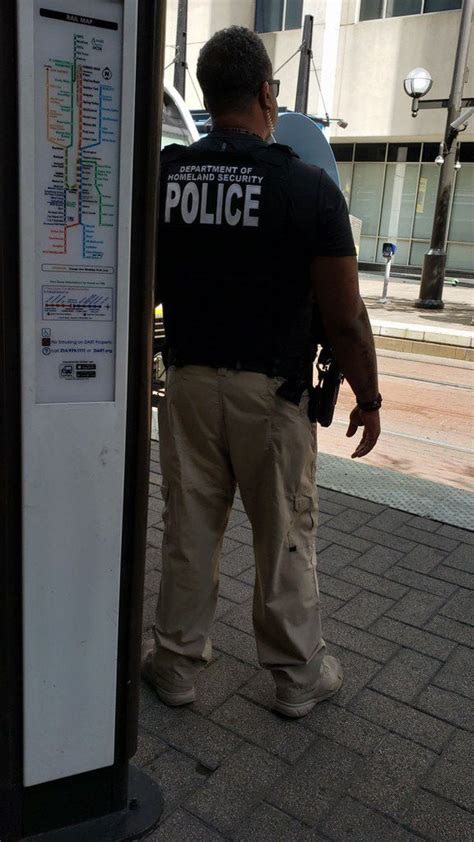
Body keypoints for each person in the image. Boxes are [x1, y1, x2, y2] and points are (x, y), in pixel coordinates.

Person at [142, 26, 381, 718]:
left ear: (208, 98)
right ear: (268, 94)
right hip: (273, 397)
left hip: (185, 385)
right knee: (283, 537)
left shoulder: (169, 176)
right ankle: (298, 679)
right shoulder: (306, 189)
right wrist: (367, 395)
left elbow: (141, 280)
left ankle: (178, 668)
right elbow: (344, 317)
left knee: (189, 529)